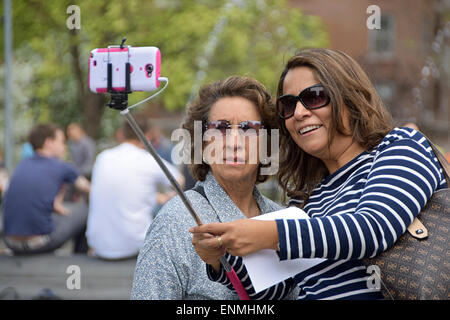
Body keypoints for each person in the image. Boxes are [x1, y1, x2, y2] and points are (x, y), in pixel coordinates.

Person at [190, 48, 447, 300]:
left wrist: (271, 234)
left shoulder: (400, 146)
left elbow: (373, 229)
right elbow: (277, 290)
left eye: (313, 97)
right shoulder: (308, 199)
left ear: (348, 97)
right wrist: (219, 260)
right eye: (288, 105)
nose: (299, 113)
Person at [131, 76, 297, 300]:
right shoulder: (175, 221)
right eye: (220, 128)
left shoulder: (283, 219)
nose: (233, 142)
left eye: (248, 128)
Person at [86, 117, 184, 260]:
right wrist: (166, 197)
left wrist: (154, 196)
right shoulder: (148, 160)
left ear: (121, 134)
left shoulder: (102, 157)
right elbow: (180, 181)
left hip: (99, 247)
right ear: (148, 136)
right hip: (135, 246)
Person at [2, 124, 91, 255]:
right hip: (38, 243)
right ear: (49, 143)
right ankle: (80, 259)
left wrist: (54, 206)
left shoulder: (22, 166)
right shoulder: (62, 166)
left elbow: (30, 197)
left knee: (60, 215)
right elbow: (90, 191)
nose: (64, 146)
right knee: (85, 210)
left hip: (10, 242)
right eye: (61, 141)